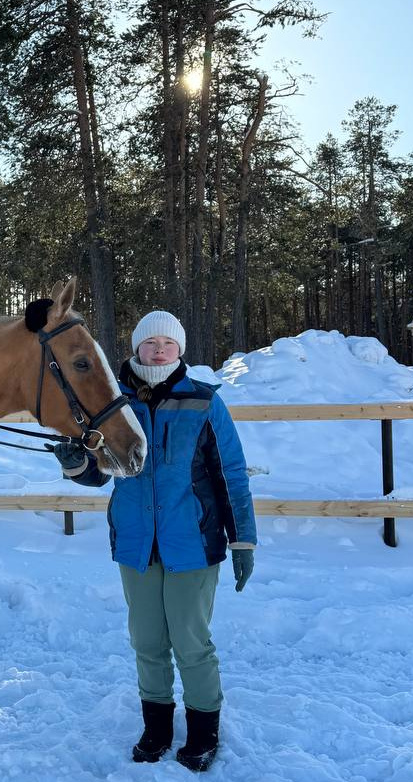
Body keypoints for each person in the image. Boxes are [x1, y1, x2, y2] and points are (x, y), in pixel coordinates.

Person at [54, 310, 256, 772]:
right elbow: (99, 473)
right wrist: (74, 463)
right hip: (136, 543)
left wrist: (243, 541)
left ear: (180, 350)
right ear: (137, 348)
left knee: (190, 641)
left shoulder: (204, 402)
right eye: (151, 342)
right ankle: (157, 727)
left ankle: (204, 733)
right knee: (147, 640)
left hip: (193, 543)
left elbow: (232, 476)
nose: (159, 349)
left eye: (168, 342)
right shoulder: (113, 401)